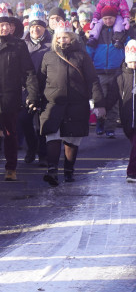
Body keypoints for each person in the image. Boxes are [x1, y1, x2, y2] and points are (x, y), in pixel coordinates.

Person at [0, 4, 39, 183]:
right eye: (0, 24)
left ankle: (11, 168)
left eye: (7, 24)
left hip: (11, 97)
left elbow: (28, 72)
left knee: (11, 133)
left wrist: (32, 95)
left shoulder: (19, 46)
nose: (5, 27)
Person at [36, 24, 105, 186]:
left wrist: (99, 102)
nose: (61, 40)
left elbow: (92, 80)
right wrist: (34, 98)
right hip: (53, 104)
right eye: (58, 38)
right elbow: (40, 80)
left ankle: (68, 171)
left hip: (77, 104)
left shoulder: (82, 56)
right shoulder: (48, 56)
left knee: (71, 139)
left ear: (72, 38)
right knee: (52, 136)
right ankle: (52, 171)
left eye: (65, 37)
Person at [87, 4, 126, 138]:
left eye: (110, 18)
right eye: (105, 18)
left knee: (114, 102)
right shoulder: (98, 32)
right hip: (99, 71)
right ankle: (100, 122)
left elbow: (129, 47)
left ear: (116, 18)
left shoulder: (121, 32)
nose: (108, 21)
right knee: (100, 100)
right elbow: (90, 50)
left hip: (117, 72)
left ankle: (110, 128)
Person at [22, 5, 53, 165]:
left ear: (44, 27)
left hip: (46, 89)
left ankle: (43, 153)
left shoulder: (52, 43)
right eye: (33, 26)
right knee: (25, 121)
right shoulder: (22, 44)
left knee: (42, 124)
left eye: (39, 26)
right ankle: (31, 148)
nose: (35, 30)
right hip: (26, 90)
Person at [119, 40, 136, 183]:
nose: (134, 65)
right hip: (128, 118)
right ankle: (132, 172)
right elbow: (113, 94)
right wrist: (101, 105)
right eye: (131, 62)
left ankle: (131, 173)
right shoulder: (122, 77)